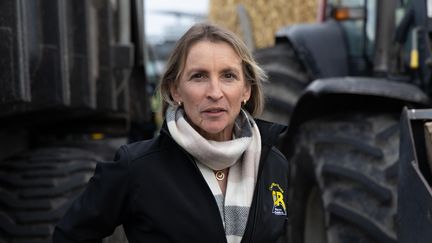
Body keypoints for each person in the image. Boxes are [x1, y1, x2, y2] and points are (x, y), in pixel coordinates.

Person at [53, 22, 289, 243]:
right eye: (199, 76)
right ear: (175, 90)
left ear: (246, 89)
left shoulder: (273, 164)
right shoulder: (136, 168)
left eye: (228, 76)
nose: (215, 92)